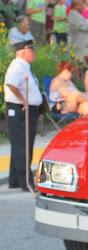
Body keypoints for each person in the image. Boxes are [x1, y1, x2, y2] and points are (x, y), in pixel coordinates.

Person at [3, 40, 42, 190]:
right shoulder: (18, 65)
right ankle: (26, 181)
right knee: (23, 146)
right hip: (20, 110)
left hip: (26, 109)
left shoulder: (24, 66)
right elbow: (11, 84)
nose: (34, 53)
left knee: (19, 145)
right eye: (32, 50)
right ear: (25, 51)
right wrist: (22, 99)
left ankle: (15, 180)